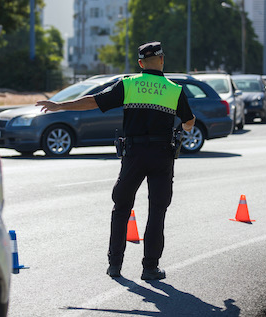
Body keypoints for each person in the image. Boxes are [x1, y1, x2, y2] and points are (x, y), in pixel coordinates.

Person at [36, 41, 195, 280]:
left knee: (121, 208)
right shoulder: (175, 90)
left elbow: (93, 101)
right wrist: (183, 126)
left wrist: (59, 105)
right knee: (157, 211)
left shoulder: (128, 84)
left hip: (133, 155)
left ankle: (115, 265)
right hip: (162, 155)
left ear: (141, 64)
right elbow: (189, 121)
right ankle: (150, 268)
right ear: (162, 60)